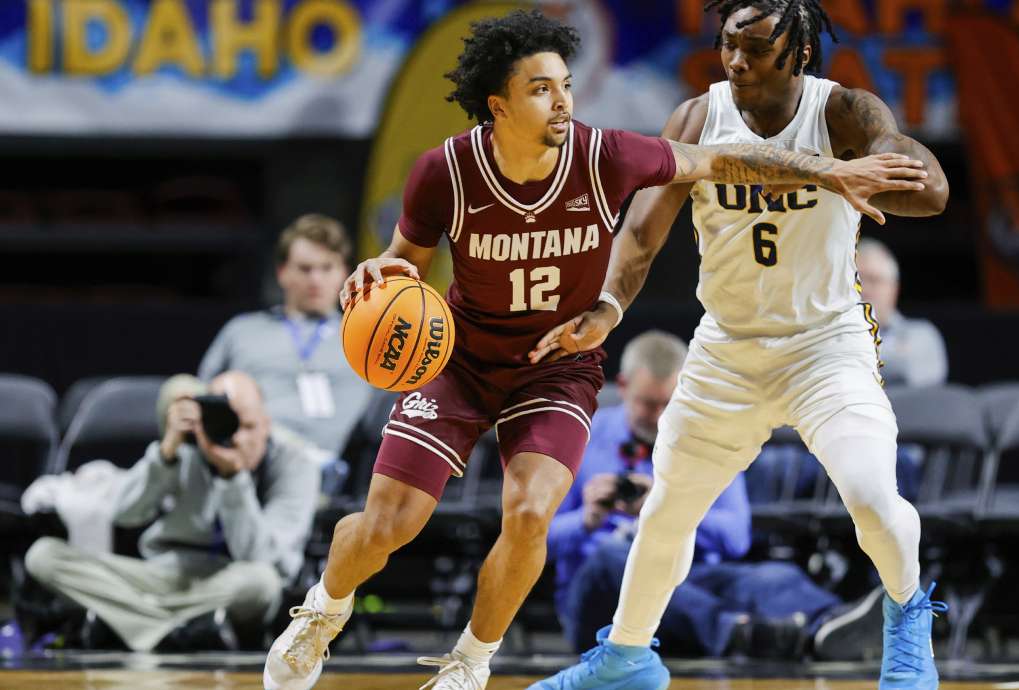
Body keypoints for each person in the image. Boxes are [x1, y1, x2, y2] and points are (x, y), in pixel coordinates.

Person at [262, 9, 927, 690]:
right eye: (542, 89)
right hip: (463, 362)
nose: (564, 101)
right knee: (386, 525)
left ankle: (470, 662)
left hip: (559, 366)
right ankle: (324, 609)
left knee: (529, 515)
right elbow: (405, 262)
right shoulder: (445, 171)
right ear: (499, 105)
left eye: (565, 85)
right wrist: (379, 274)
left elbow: (718, 160)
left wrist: (824, 169)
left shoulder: (603, 153)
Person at [527, 1, 949, 688]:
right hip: (726, 349)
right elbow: (641, 231)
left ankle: (907, 622)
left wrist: (891, 159)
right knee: (666, 509)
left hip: (824, 344)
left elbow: (931, 194)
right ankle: (627, 660)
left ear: (801, 56)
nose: (736, 62)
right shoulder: (697, 118)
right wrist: (607, 306)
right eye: (729, 45)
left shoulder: (843, 111)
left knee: (872, 496)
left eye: (756, 50)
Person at [552, 331, 858, 659]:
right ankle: (738, 633)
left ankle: (834, 626)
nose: (657, 416)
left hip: (689, 580)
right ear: (624, 387)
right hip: (599, 592)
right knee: (613, 558)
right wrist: (585, 520)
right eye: (647, 404)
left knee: (771, 576)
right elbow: (532, 539)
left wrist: (668, 508)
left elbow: (736, 537)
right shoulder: (580, 435)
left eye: (667, 403)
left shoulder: (709, 438)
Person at [24, 372, 319, 653]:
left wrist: (232, 478)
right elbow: (124, 514)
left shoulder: (295, 464)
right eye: (228, 425)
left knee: (262, 581)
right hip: (163, 574)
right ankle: (172, 631)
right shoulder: (190, 444)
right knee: (43, 555)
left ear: (267, 423)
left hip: (231, 581)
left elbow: (267, 560)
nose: (237, 438)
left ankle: (126, 618)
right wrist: (165, 454)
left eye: (249, 427)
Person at [199, 214, 370, 487]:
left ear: (343, 273)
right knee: (181, 391)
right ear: (282, 273)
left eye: (327, 268)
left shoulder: (368, 336)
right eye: (304, 268)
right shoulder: (242, 331)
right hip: (252, 464)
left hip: (336, 472)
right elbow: (206, 397)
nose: (316, 279)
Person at [856, 238, 948, 387]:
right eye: (857, 282)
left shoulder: (922, 334)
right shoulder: (827, 334)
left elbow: (915, 371)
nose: (864, 290)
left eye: (873, 280)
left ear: (894, 288)